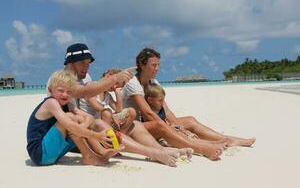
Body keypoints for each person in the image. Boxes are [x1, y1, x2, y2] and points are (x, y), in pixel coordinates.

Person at [60, 43, 193, 166]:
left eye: (88, 63)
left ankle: (161, 150)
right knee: (105, 128)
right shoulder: (60, 80)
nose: (86, 67)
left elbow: (92, 92)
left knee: (135, 125)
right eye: (83, 63)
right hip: (74, 136)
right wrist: (115, 79)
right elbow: (85, 92)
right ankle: (154, 153)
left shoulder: (86, 77)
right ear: (71, 63)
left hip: (88, 125)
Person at [122, 47, 256, 160]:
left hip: (150, 122)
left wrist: (179, 127)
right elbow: (148, 112)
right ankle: (202, 148)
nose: (157, 69)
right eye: (153, 65)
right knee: (160, 125)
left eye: (158, 65)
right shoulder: (133, 83)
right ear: (142, 64)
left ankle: (226, 139)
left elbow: (167, 111)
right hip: (135, 127)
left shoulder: (153, 82)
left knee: (189, 121)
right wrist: (169, 127)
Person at [27, 70, 122, 166]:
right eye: (60, 90)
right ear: (50, 90)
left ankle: (101, 151)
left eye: (69, 92)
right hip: (40, 154)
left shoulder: (68, 104)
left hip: (53, 153)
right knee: (70, 118)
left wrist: (83, 126)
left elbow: (89, 117)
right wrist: (98, 136)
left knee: (80, 119)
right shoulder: (51, 103)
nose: (65, 94)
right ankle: (89, 157)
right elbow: (71, 126)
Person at [85, 68, 136, 134]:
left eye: (118, 86)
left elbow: (119, 110)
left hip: (102, 120)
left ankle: (121, 136)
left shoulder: (107, 94)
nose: (115, 86)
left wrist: (117, 92)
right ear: (108, 75)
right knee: (107, 113)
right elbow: (96, 106)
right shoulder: (91, 86)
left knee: (131, 112)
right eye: (116, 83)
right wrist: (112, 115)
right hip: (90, 121)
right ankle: (110, 139)